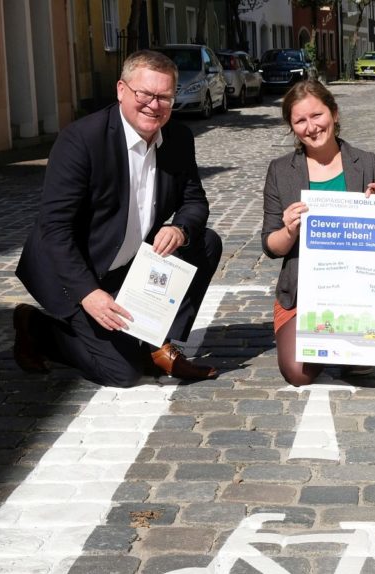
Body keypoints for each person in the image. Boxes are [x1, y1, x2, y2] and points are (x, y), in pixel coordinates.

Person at [13, 50, 222, 387]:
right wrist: (87, 293)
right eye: (145, 94)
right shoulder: (81, 140)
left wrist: (179, 228)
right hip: (76, 272)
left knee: (206, 242)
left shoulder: (179, 139)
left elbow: (194, 201)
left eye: (165, 96)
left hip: (127, 263)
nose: (155, 105)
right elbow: (54, 228)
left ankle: (158, 343)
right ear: (122, 90)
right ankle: (37, 327)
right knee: (122, 373)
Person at [261, 80, 375, 386]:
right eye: (300, 121)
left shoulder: (365, 162)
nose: (311, 127)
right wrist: (289, 230)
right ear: (292, 127)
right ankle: (338, 343)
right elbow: (270, 245)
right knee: (297, 373)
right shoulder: (280, 171)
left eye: (317, 115)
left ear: (334, 113)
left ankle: (345, 343)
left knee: (358, 356)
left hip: (357, 289)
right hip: (302, 292)